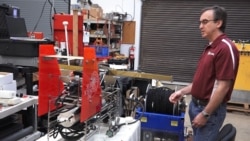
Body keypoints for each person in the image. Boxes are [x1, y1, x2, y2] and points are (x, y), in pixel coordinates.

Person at [169, 5, 239, 141]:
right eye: (200, 22)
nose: (200, 26)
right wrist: (182, 92)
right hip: (196, 105)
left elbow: (223, 87)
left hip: (209, 111)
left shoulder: (225, 48)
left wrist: (205, 114)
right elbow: (203, 82)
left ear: (218, 23)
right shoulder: (210, 47)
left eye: (205, 22)